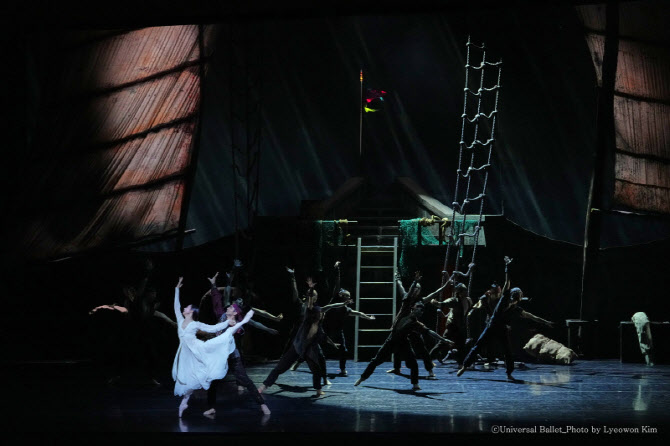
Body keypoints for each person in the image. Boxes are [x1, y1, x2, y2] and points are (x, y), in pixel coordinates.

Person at [257, 267, 351, 397]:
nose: (311, 297)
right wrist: (309, 289)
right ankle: (264, 386)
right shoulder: (307, 309)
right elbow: (310, 301)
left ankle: (318, 389)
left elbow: (330, 308)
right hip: (299, 343)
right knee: (280, 367)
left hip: (310, 346)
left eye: (313, 295)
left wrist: (343, 304)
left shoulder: (319, 310)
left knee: (316, 369)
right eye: (310, 296)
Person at [457, 258, 554, 381]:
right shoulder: (504, 299)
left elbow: (531, 316)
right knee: (479, 345)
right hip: (492, 326)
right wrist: (507, 267)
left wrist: (546, 322)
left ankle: (508, 373)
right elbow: (507, 282)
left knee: (507, 351)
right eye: (518, 295)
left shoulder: (515, 309)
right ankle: (465, 366)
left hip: (501, 329)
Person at [171, 276, 254, 417]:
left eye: (187, 307)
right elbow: (176, 306)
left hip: (199, 351)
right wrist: (177, 289)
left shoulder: (195, 324)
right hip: (185, 354)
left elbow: (213, 328)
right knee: (188, 380)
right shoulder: (180, 320)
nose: (184, 308)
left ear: (191, 312)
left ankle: (242, 322)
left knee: (202, 375)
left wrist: (227, 323)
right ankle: (184, 402)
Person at [204, 272, 271, 416]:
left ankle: (262, 404)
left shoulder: (236, 324)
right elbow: (217, 302)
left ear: (234, 313)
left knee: (245, 380)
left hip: (233, 357)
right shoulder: (222, 316)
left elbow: (239, 330)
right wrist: (213, 285)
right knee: (213, 382)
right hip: (219, 357)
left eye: (231, 308)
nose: (228, 307)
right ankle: (211, 407)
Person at [293, 261, 376, 377]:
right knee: (313, 346)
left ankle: (343, 369)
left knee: (344, 350)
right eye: (347, 296)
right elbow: (337, 283)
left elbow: (358, 313)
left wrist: (368, 317)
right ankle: (299, 361)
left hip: (337, 331)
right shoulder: (335, 300)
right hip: (325, 328)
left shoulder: (346, 310)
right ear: (341, 296)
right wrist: (337, 270)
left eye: (349, 296)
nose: (349, 298)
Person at [354, 301, 454, 391]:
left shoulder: (416, 323)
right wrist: (413, 286)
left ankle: (415, 384)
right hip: (391, 341)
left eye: (422, 310)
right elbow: (407, 296)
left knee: (414, 364)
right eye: (419, 308)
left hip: (403, 343)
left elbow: (429, 332)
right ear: (413, 308)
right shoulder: (404, 312)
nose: (420, 311)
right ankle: (362, 378)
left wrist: (444, 340)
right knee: (375, 361)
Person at [386, 271, 451, 378]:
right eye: (415, 288)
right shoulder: (406, 296)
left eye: (418, 289)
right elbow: (400, 285)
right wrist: (397, 278)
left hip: (413, 327)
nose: (416, 290)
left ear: (420, 291)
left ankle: (430, 370)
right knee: (397, 347)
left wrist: (445, 285)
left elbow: (436, 293)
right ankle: (396, 368)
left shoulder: (421, 300)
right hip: (402, 327)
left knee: (422, 349)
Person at [428, 282, 473, 368]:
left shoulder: (468, 300)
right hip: (452, 325)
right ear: (459, 292)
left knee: (461, 344)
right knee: (443, 342)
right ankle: (429, 359)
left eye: (466, 290)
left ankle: (461, 363)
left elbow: (469, 309)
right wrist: (435, 302)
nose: (466, 292)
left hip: (460, 325)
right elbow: (443, 304)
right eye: (464, 290)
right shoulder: (454, 300)